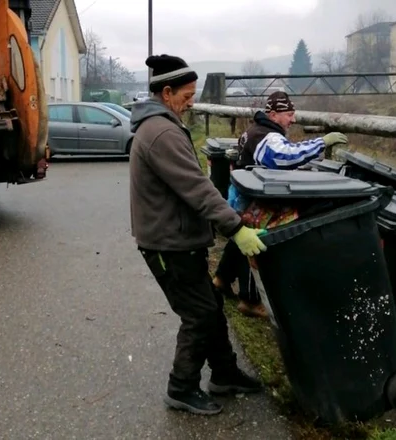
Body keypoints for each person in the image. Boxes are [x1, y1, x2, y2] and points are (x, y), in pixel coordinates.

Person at [129, 54, 267, 416]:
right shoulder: (160, 132)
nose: (192, 102)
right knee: (199, 315)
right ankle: (181, 387)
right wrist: (236, 228)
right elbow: (197, 188)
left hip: (178, 240)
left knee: (210, 307)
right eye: (187, 95)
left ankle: (224, 375)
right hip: (167, 244)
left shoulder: (163, 125)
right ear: (167, 91)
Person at [212, 91, 348, 317]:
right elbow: (285, 157)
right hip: (252, 197)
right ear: (274, 114)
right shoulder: (267, 136)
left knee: (240, 238)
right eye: (289, 115)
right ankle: (250, 300)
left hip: (241, 192)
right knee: (253, 243)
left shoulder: (255, 130)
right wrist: (321, 143)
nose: (293, 120)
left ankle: (221, 279)